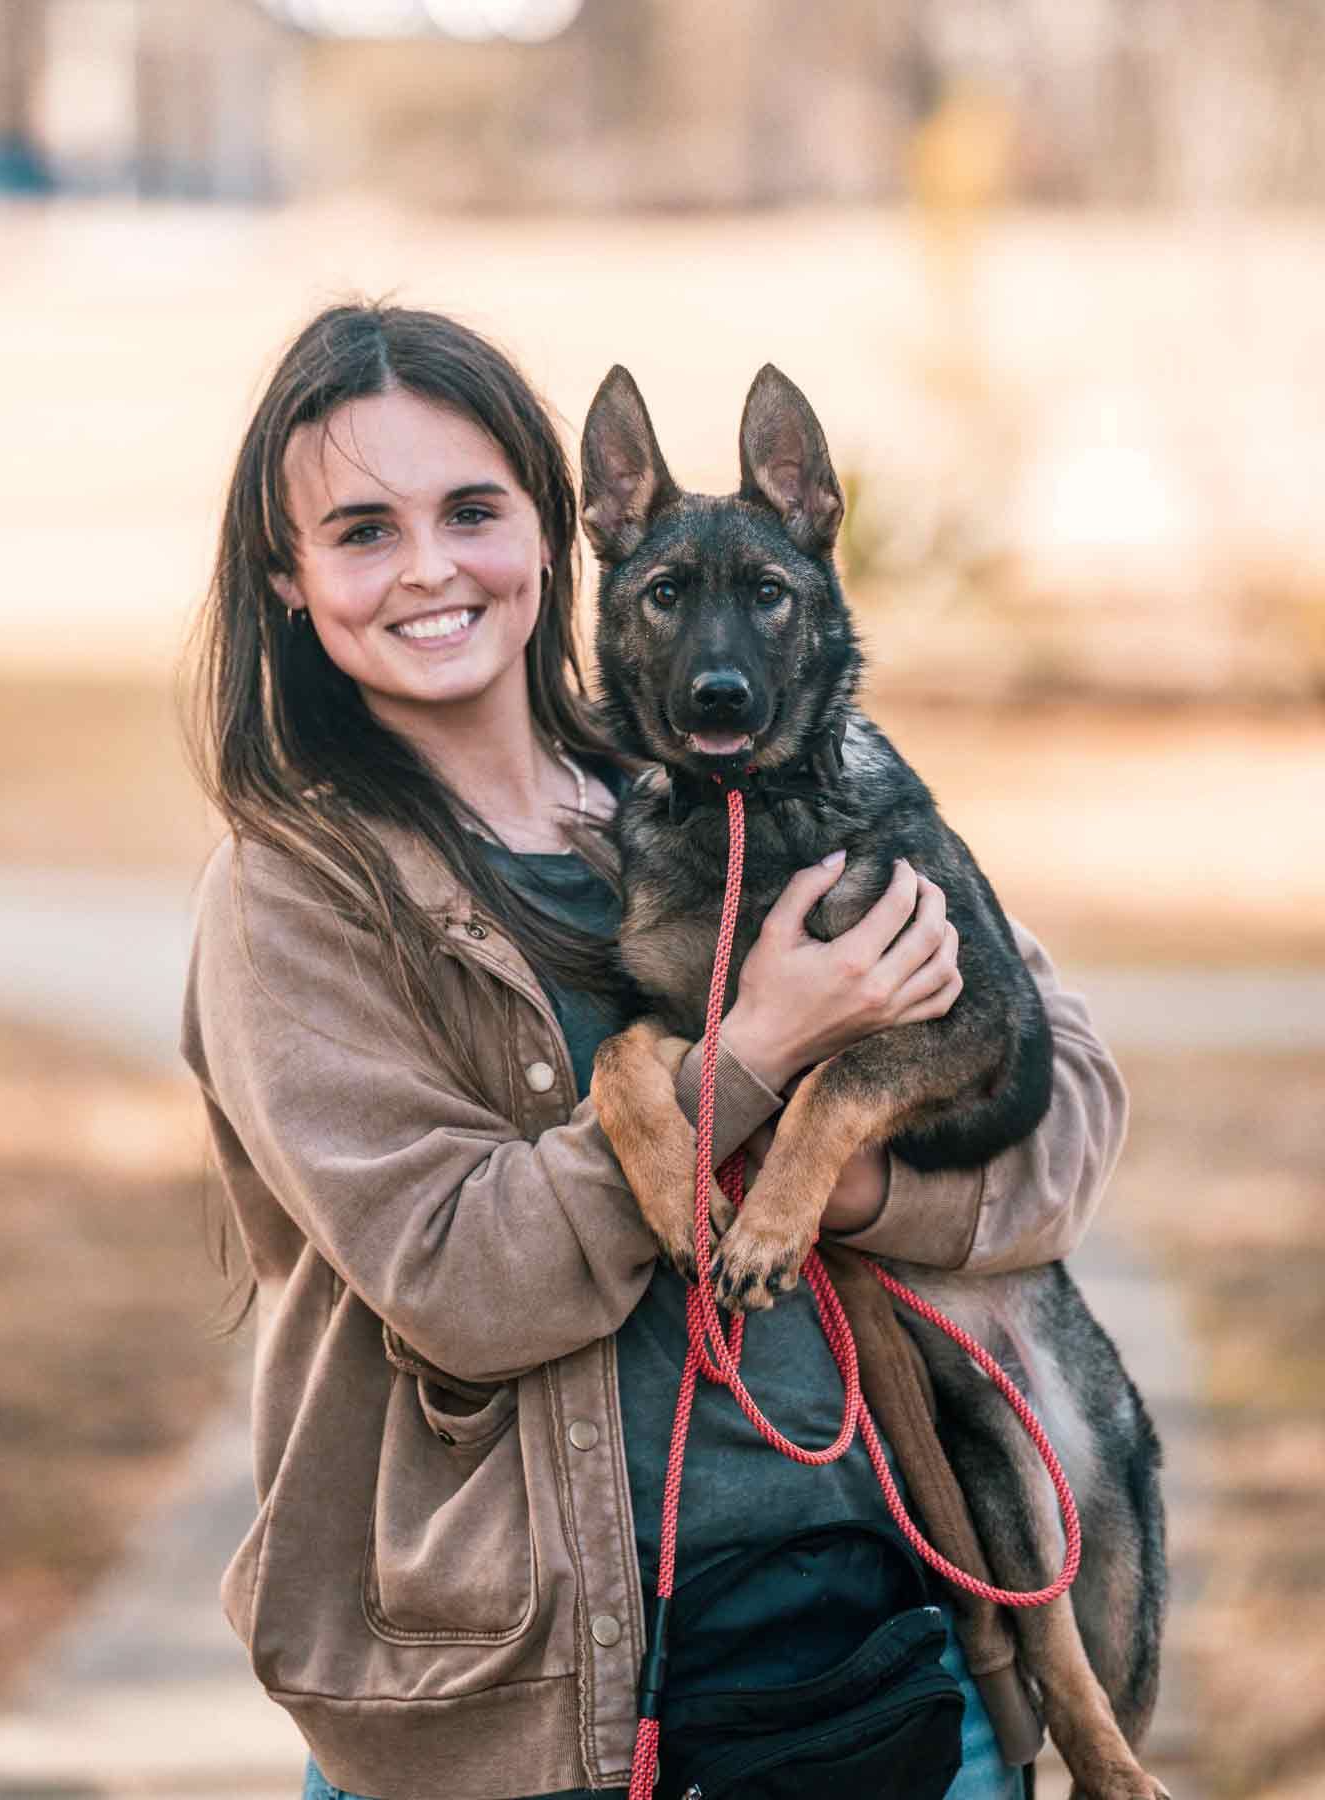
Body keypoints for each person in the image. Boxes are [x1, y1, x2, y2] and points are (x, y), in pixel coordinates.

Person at [178, 302, 1128, 1800]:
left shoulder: (725, 789)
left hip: (874, 1638)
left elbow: (1065, 1114)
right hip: (526, 1708)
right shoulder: (296, 894)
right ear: (290, 582)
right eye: (364, 531)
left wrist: (856, 1189)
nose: (430, 567)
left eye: (472, 511)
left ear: (555, 534)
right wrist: (753, 1054)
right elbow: (462, 1282)